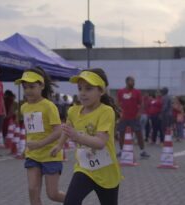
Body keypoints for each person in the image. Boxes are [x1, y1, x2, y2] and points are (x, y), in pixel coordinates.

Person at [51, 68, 121, 205]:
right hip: (84, 168)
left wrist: (77, 137)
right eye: (80, 88)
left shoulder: (106, 112)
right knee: (70, 202)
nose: (83, 93)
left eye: (88, 89)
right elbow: (67, 129)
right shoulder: (73, 111)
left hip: (106, 172)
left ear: (101, 91)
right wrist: (59, 145)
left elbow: (101, 143)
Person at [15, 67, 65, 205]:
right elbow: (30, 130)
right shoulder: (24, 107)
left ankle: (75, 200)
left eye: (32, 86)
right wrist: (28, 146)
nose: (28, 90)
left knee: (53, 194)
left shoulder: (49, 106)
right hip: (33, 155)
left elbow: (58, 131)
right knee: (32, 190)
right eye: (25, 87)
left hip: (50, 154)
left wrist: (40, 144)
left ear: (41, 86)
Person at [116, 76, 150, 158]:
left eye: (134, 81)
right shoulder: (121, 92)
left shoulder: (137, 92)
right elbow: (117, 104)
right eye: (132, 81)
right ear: (127, 82)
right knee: (121, 134)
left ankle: (142, 151)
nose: (133, 83)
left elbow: (141, 104)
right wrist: (119, 114)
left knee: (139, 133)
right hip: (123, 117)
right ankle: (121, 151)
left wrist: (139, 113)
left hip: (134, 117)